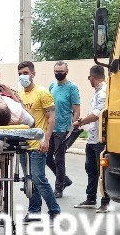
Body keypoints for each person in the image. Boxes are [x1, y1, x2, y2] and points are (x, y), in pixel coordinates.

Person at [17, 61, 60, 221]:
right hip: (23, 145)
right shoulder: (20, 95)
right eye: (20, 73)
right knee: (29, 180)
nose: (23, 76)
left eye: (26, 73)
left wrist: (46, 140)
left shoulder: (42, 92)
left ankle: (54, 210)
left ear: (33, 74)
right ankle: (34, 211)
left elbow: (51, 118)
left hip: (38, 145)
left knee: (38, 178)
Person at [72, 65, 110, 213]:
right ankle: (90, 198)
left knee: (102, 172)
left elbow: (97, 114)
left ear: (92, 78)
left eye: (89, 78)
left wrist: (80, 122)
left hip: (101, 139)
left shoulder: (104, 92)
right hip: (92, 139)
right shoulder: (98, 92)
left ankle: (105, 202)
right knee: (91, 169)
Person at [46, 61, 80, 197]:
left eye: (61, 71)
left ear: (66, 71)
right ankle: (64, 179)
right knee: (48, 158)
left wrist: (72, 128)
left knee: (59, 159)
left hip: (63, 128)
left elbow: (76, 110)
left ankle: (59, 188)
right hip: (51, 128)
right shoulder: (52, 86)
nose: (59, 73)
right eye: (56, 71)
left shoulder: (72, 88)